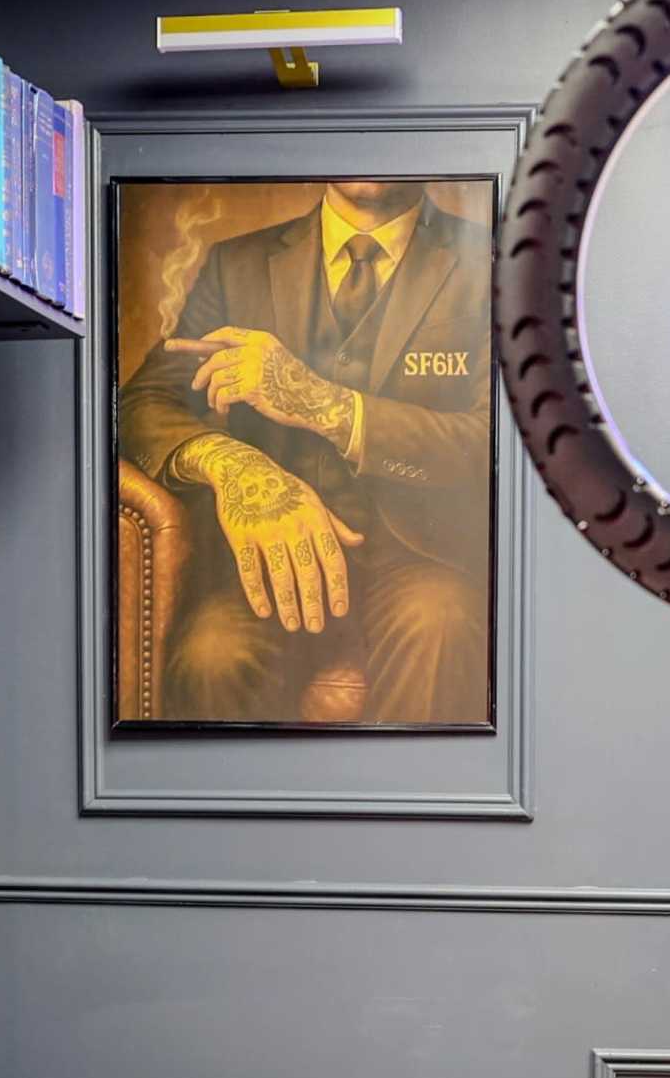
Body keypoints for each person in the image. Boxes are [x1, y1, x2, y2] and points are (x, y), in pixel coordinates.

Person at [114, 178, 491, 727]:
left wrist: (322, 403)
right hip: (264, 564)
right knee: (212, 654)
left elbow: (499, 438)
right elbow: (144, 403)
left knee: (441, 625)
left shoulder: (492, 260)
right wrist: (235, 466)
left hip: (422, 557)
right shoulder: (237, 264)